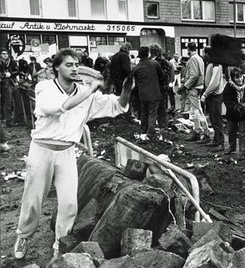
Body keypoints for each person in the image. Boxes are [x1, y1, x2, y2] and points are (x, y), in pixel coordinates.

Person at [13, 48, 134, 260]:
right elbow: (60, 107)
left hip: (67, 152)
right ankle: (23, 235)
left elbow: (117, 106)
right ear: (56, 68)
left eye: (76, 64)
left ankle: (59, 246)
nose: (74, 68)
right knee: (33, 201)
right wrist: (90, 89)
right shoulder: (45, 87)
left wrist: (127, 90)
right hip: (42, 149)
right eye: (69, 65)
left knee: (69, 204)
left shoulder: (86, 94)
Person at [177, 42, 208, 142]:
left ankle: (205, 132)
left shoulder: (193, 59)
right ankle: (197, 131)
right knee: (195, 110)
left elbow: (194, 75)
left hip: (194, 87)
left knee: (197, 110)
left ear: (188, 49)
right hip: (197, 87)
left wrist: (184, 86)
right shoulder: (199, 58)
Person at [132, 46, 164, 141]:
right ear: (148, 53)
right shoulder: (155, 64)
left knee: (144, 113)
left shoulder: (137, 67)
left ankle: (143, 132)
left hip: (142, 94)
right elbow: (162, 76)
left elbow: (135, 82)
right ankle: (151, 133)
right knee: (152, 113)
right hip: (154, 93)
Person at [223, 68, 245, 161]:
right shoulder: (229, 86)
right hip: (232, 113)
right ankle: (232, 147)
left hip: (244, 113)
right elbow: (226, 100)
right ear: (233, 79)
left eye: (240, 77)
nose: (239, 80)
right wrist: (235, 108)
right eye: (237, 78)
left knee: (243, 133)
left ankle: (242, 152)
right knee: (231, 131)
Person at [201, 50, 227, 151]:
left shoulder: (216, 65)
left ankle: (220, 142)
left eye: (205, 53)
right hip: (211, 95)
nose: (204, 55)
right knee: (213, 118)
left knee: (216, 119)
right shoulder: (211, 64)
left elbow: (214, 83)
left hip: (215, 95)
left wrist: (205, 94)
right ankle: (216, 139)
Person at [149, 44, 171, 130]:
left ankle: (163, 125)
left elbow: (166, 74)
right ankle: (160, 123)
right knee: (158, 106)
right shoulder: (153, 60)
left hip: (160, 87)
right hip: (156, 86)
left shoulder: (162, 60)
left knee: (161, 106)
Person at [0, 48, 19, 125]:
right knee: (8, 103)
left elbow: (17, 71)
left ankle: (16, 119)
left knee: (17, 102)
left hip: (14, 82)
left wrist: (11, 73)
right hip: (5, 84)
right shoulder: (0, 63)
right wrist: (4, 76)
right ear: (0, 55)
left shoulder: (12, 62)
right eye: (3, 54)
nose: (5, 55)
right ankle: (8, 121)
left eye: (6, 54)